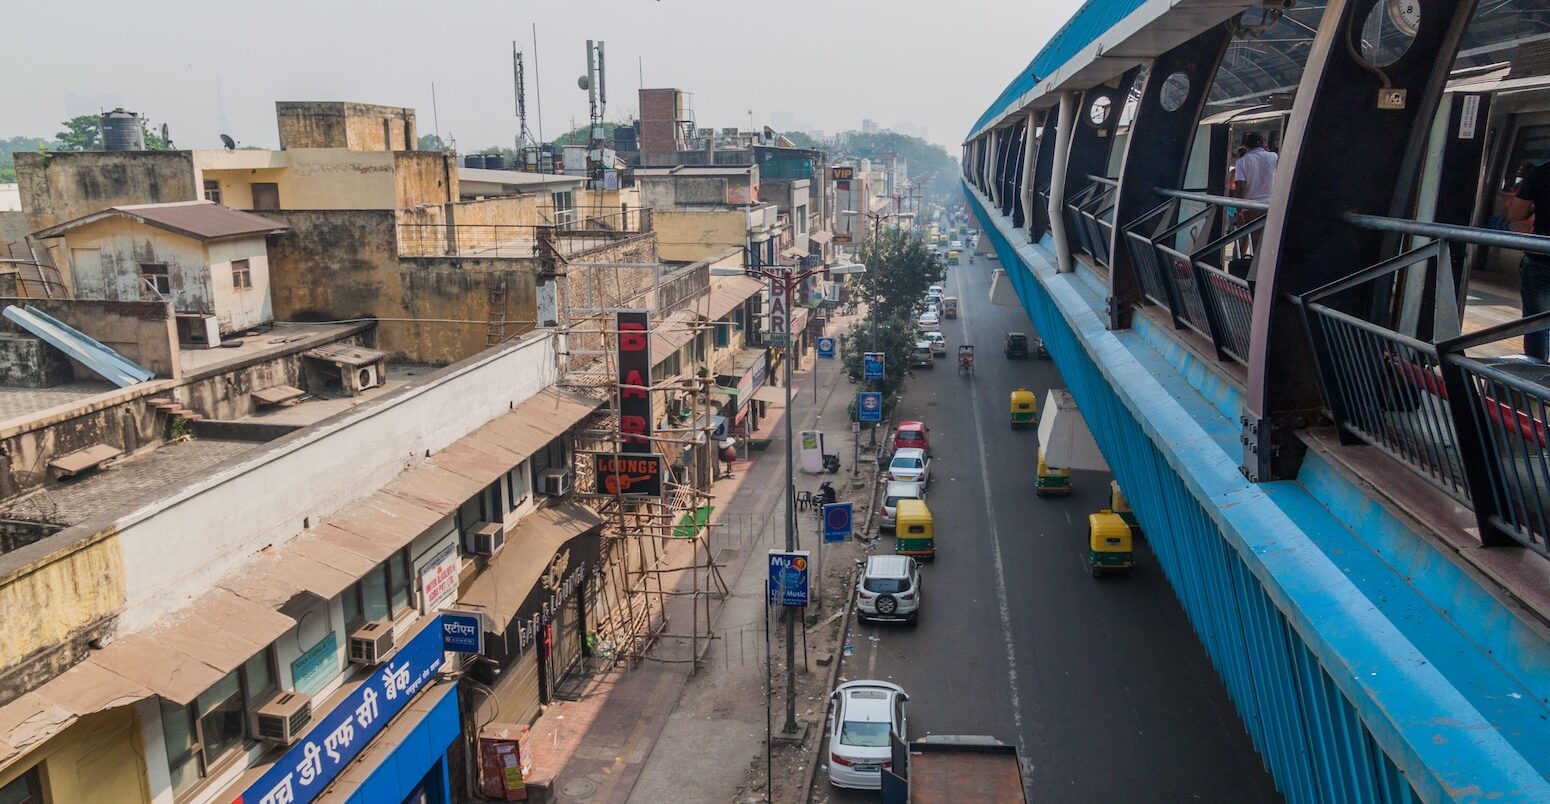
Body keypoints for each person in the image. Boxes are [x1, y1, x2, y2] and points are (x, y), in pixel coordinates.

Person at [1508, 160, 1550, 360]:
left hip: (1543, 259)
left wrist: (1537, 205)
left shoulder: (1541, 172)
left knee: (1537, 325)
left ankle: (1536, 378)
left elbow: (1516, 214)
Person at [1232, 133, 1279, 261]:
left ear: (1246, 146)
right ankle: (1259, 273)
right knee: (1263, 244)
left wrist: (1239, 211)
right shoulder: (1274, 157)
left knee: (1242, 241)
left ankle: (1237, 271)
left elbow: (1240, 186)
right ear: (1263, 143)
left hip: (1249, 207)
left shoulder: (1242, 161)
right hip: (1269, 207)